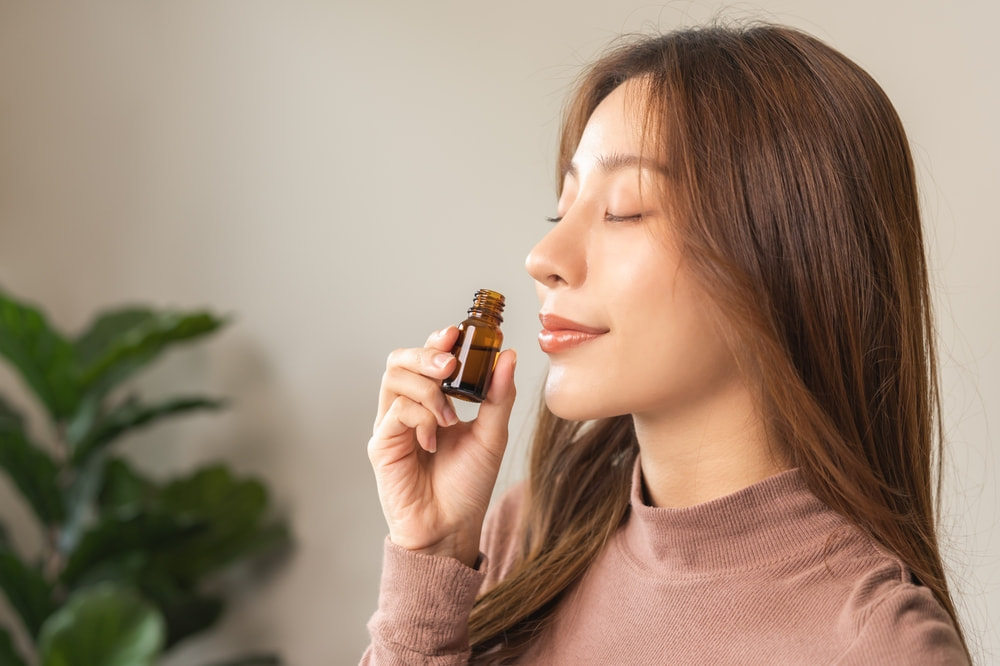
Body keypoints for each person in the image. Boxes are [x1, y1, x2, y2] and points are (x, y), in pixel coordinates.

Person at [362, 23, 970, 664]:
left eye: (623, 209)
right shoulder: (526, 532)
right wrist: (430, 567)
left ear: (784, 258)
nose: (544, 257)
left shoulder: (879, 645)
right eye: (561, 210)